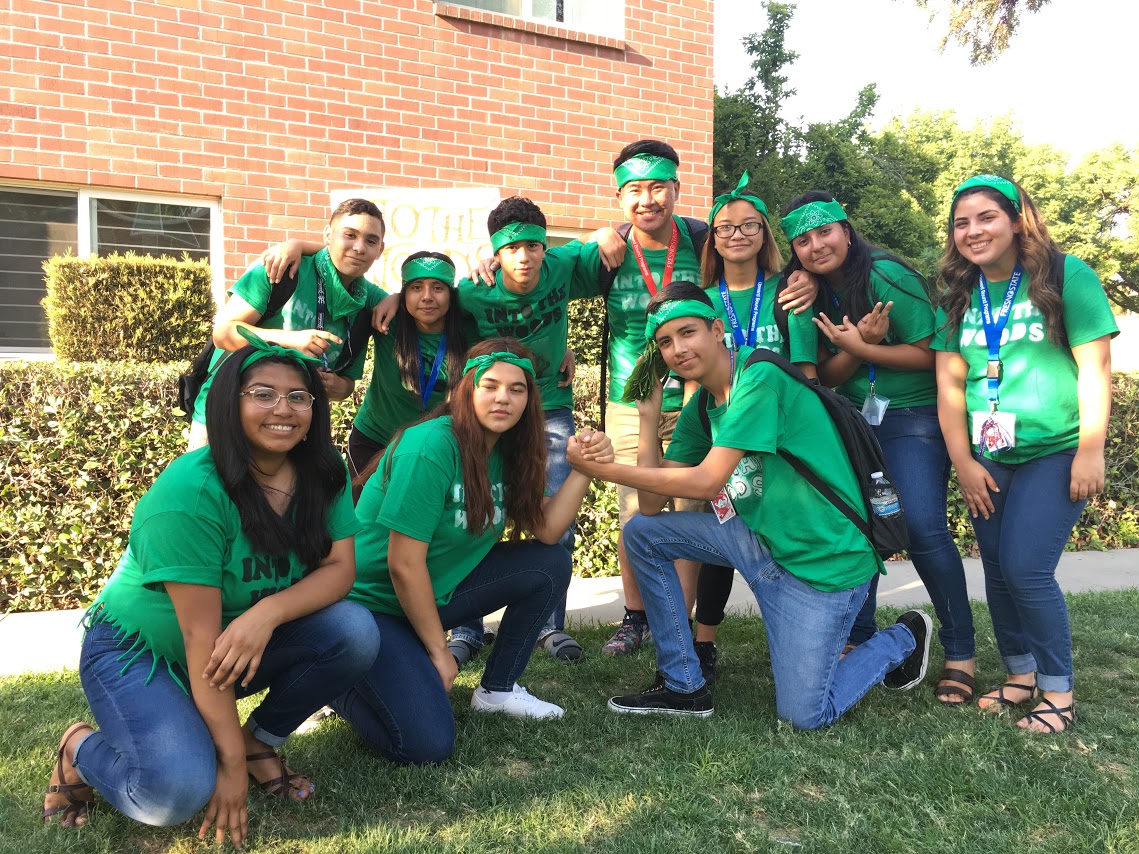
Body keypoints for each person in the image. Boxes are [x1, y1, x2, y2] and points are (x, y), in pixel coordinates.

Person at [42, 331, 380, 848]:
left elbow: (339, 569)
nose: (283, 409)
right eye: (262, 394)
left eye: (298, 396)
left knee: (352, 630)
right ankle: (79, 750)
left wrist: (265, 614)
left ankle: (258, 742)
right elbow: (202, 641)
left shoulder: (321, 470)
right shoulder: (192, 491)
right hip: (143, 650)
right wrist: (227, 766)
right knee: (171, 796)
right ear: (228, 403)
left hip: (238, 638)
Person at [565, 283, 932, 725]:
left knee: (805, 715)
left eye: (687, 332)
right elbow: (650, 504)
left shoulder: (759, 379)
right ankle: (684, 686)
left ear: (717, 330)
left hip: (825, 565)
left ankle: (903, 636)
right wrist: (648, 418)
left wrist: (604, 470)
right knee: (644, 533)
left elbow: (707, 482)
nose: (677, 349)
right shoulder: (703, 407)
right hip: (763, 547)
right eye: (664, 342)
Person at [333, 339, 613, 763]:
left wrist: (583, 470)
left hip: (435, 594)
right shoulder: (430, 446)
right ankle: (335, 683)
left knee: (548, 562)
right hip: (373, 606)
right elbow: (403, 564)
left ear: (529, 399)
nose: (503, 398)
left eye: (517, 389)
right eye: (490, 385)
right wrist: (438, 651)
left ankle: (497, 691)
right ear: (465, 390)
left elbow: (548, 531)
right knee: (426, 744)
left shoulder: (510, 450)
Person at [584, 140, 813, 656]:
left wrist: (807, 278)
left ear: (677, 190)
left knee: (710, 514)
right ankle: (647, 622)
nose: (648, 199)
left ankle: (692, 626)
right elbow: (542, 271)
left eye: (659, 187)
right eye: (635, 190)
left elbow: (807, 372)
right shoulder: (615, 250)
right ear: (619, 196)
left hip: (751, 418)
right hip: (664, 404)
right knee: (644, 513)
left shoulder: (711, 245)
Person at [932, 174, 1117, 733]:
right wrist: (964, 463)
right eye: (961, 223)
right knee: (995, 566)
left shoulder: (1064, 275)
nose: (973, 231)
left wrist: (1090, 450)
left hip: (1055, 450)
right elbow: (949, 386)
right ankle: (1020, 674)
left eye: (986, 217)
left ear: (1017, 221)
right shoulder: (959, 295)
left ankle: (1058, 691)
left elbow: (1095, 368)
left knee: (1026, 568)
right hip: (989, 455)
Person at [779, 190, 977, 705]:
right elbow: (823, 376)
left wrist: (865, 347)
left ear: (846, 231)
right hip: (854, 422)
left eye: (825, 232)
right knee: (857, 526)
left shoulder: (885, 275)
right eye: (803, 240)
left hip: (911, 416)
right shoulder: (805, 292)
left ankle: (961, 651)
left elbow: (935, 354)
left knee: (923, 527)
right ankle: (858, 639)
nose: (816, 246)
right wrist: (856, 348)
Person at [443, 197, 606, 665]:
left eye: (534, 246)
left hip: (549, 407)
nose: (526, 257)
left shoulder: (562, 265)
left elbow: (624, 240)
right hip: (490, 413)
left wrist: (603, 233)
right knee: (471, 515)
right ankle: (466, 629)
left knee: (558, 517)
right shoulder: (472, 291)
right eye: (513, 248)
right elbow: (435, 320)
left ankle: (549, 627)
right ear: (496, 252)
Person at [690, 172, 818, 682]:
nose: (737, 235)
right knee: (723, 538)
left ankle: (794, 634)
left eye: (749, 225)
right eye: (725, 228)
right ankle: (703, 643)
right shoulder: (702, 301)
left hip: (781, 437)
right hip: (724, 434)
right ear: (713, 240)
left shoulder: (790, 292)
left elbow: (806, 374)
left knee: (786, 535)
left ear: (765, 234)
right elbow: (692, 377)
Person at [188, 198, 387, 449]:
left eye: (371, 241)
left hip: (291, 427)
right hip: (226, 415)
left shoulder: (369, 301)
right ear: (328, 235)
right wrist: (289, 341)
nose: (359, 248)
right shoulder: (282, 267)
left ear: (380, 250)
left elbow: (347, 383)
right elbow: (223, 333)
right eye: (349, 235)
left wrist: (339, 387)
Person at [346, 251, 467, 476]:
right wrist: (297, 246)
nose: (427, 297)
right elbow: (344, 272)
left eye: (438, 287)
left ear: (451, 294)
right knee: (364, 501)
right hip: (374, 441)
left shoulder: (469, 331)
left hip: (434, 447)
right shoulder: (387, 320)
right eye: (416, 287)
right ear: (404, 292)